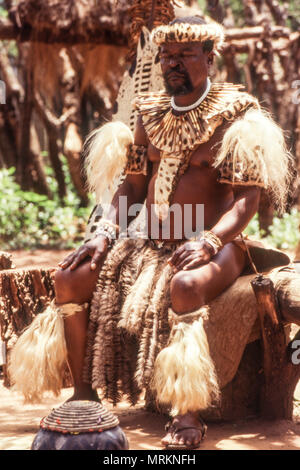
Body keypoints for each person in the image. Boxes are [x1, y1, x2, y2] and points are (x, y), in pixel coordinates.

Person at [10, 17, 293, 450]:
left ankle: (187, 412)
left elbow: (245, 201)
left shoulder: (238, 116)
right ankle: (84, 396)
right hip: (151, 242)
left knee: (185, 286)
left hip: (219, 243)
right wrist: (104, 232)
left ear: (209, 57)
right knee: (71, 278)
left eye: (184, 54)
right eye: (166, 56)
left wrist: (207, 241)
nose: (172, 63)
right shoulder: (150, 113)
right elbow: (134, 187)